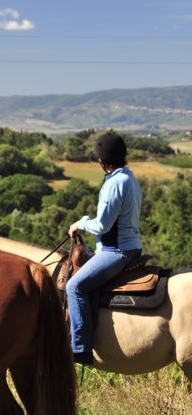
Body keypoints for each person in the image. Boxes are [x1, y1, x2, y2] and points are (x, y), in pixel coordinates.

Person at [67, 132, 142, 366]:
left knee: (74, 286)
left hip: (115, 251)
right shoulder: (130, 177)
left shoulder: (115, 183)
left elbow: (102, 224)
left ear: (102, 160)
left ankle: (79, 348)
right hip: (129, 247)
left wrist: (80, 222)